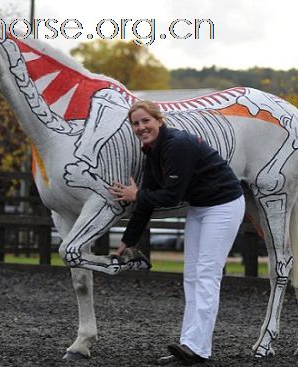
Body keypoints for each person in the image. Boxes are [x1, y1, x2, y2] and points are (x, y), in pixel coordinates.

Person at [109, 100, 245, 365]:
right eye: (135, 123)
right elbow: (147, 199)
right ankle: (188, 345)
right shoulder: (151, 151)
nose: (141, 127)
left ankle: (197, 349)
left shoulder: (177, 144)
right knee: (191, 275)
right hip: (201, 206)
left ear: (159, 120)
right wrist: (128, 239)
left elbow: (171, 196)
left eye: (145, 121)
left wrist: (137, 194)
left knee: (207, 273)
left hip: (224, 205)